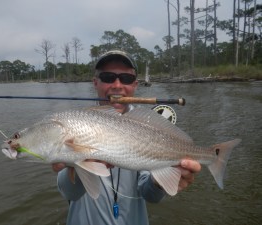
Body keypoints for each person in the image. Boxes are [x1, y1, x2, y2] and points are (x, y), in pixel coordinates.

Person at [52, 50, 201, 225]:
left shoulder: (148, 128)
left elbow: (150, 195)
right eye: (108, 77)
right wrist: (75, 167)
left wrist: (161, 181)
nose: (117, 85)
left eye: (126, 78)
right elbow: (69, 193)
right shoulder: (76, 124)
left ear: (135, 85)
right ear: (95, 82)